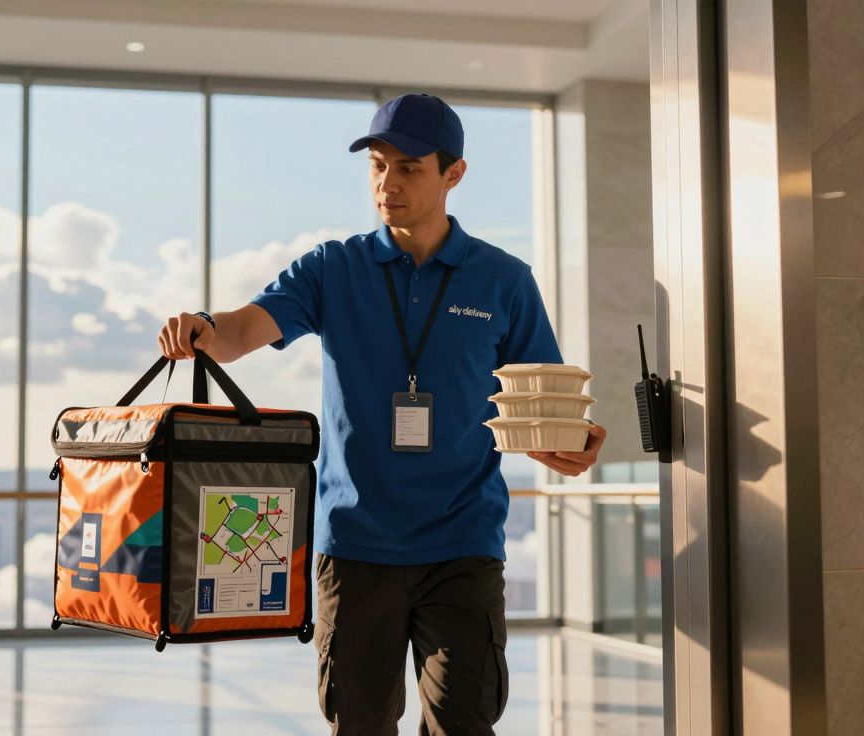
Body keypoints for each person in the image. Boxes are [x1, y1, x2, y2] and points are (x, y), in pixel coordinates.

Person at [157, 93, 607, 735]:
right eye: (377, 166)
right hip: (356, 544)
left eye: (408, 169)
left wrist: (570, 445)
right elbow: (237, 333)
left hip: (463, 543)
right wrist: (202, 324)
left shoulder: (505, 281)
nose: (387, 184)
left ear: (454, 174)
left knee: (465, 722)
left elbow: (540, 410)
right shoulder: (331, 269)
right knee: (359, 725)